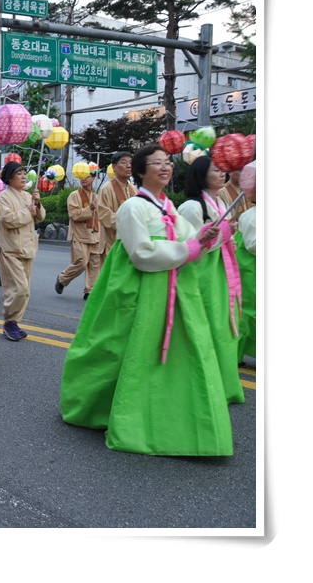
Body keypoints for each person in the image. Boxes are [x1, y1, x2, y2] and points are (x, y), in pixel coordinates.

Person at [59, 144, 233, 456]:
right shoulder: (133, 207)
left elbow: (191, 241)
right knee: (121, 348)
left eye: (168, 162)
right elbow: (141, 253)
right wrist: (188, 248)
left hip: (172, 288)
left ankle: (162, 411)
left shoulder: (169, 207)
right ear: (141, 171)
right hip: (140, 289)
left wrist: (208, 237)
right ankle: (105, 406)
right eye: (156, 163)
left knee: (166, 353)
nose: (165, 167)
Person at [177, 156, 244, 405]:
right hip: (201, 273)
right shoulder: (192, 207)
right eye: (216, 170)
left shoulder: (220, 201)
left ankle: (221, 385)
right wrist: (224, 234)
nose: (222, 173)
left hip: (219, 271)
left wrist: (230, 235)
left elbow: (221, 238)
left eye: (223, 170)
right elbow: (191, 244)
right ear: (201, 174)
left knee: (222, 325)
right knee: (207, 325)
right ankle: (202, 385)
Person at [0, 161, 45, 341]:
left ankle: (14, 322)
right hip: (11, 249)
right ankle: (9, 322)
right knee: (18, 288)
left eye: (25, 173)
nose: (24, 176)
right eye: (19, 173)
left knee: (25, 290)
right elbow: (7, 219)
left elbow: (40, 217)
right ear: (10, 177)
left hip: (27, 247)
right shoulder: (3, 197)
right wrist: (28, 212)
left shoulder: (27, 195)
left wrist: (37, 204)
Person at [55, 169, 103, 300]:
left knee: (95, 265)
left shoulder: (97, 196)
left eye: (87, 176)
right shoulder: (74, 195)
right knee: (81, 263)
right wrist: (90, 208)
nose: (84, 178)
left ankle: (90, 291)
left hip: (96, 235)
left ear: (93, 178)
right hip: (80, 235)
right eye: (82, 176)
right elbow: (74, 215)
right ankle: (62, 279)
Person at [234, 162, 257, 365]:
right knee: (249, 313)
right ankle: (236, 354)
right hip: (251, 271)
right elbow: (253, 245)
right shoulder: (252, 216)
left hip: (253, 270)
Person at [96, 151, 136, 263]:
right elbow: (105, 215)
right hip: (111, 243)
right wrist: (129, 221)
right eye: (124, 163)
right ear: (114, 167)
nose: (128, 166)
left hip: (129, 244)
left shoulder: (133, 189)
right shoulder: (107, 188)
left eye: (131, 163)